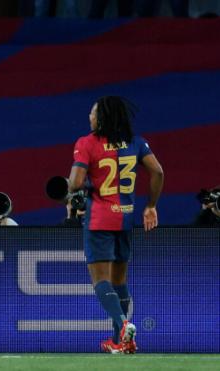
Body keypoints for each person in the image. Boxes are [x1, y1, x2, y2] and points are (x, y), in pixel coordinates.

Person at [68, 96, 164, 354]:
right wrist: (151, 206)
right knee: (120, 281)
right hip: (126, 217)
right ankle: (122, 342)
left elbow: (75, 183)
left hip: (99, 219)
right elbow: (158, 172)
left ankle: (122, 326)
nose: (89, 117)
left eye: (93, 112)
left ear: (101, 118)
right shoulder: (136, 142)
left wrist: (76, 191)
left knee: (100, 280)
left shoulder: (86, 143)